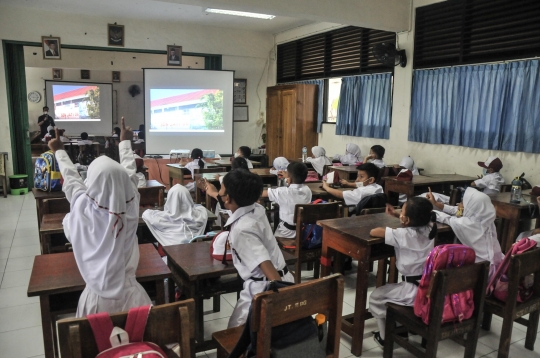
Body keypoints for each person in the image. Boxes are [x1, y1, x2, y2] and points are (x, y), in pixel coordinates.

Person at [47, 118, 151, 316]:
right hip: (134, 298)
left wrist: (59, 150)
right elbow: (128, 173)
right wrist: (125, 142)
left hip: (95, 304)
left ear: (91, 183)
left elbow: (72, 181)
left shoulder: (81, 212)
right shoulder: (130, 205)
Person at [204, 169, 294, 328]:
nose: (221, 194)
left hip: (266, 288)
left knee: (236, 332)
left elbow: (267, 267)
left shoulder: (242, 230)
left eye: (222, 191)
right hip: (285, 277)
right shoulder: (257, 208)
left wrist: (283, 300)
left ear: (228, 198)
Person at [368, 197, 437, 347]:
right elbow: (418, 216)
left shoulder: (403, 234)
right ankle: (400, 327)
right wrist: (398, 214)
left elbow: (375, 231)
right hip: (428, 287)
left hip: (412, 291)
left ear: (406, 220)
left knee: (376, 297)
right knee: (389, 292)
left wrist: (399, 219)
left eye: (402, 211)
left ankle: (385, 337)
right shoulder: (430, 228)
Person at [426, 187, 504, 279]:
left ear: (471, 207)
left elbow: (446, 218)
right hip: (497, 264)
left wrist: (428, 210)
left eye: (463, 202)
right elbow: (458, 211)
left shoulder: (467, 224)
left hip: (481, 271)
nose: (460, 204)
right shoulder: (487, 218)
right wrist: (435, 203)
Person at [142, 184, 208, 250]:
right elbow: (201, 208)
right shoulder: (199, 216)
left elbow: (146, 213)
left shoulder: (161, 219)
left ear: (169, 199)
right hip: (194, 254)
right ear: (188, 197)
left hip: (169, 256)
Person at [261, 162, 312, 238]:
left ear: (289, 179)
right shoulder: (308, 190)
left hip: (286, 233)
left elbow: (261, 193)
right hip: (304, 232)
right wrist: (288, 176)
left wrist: (288, 179)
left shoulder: (282, 192)